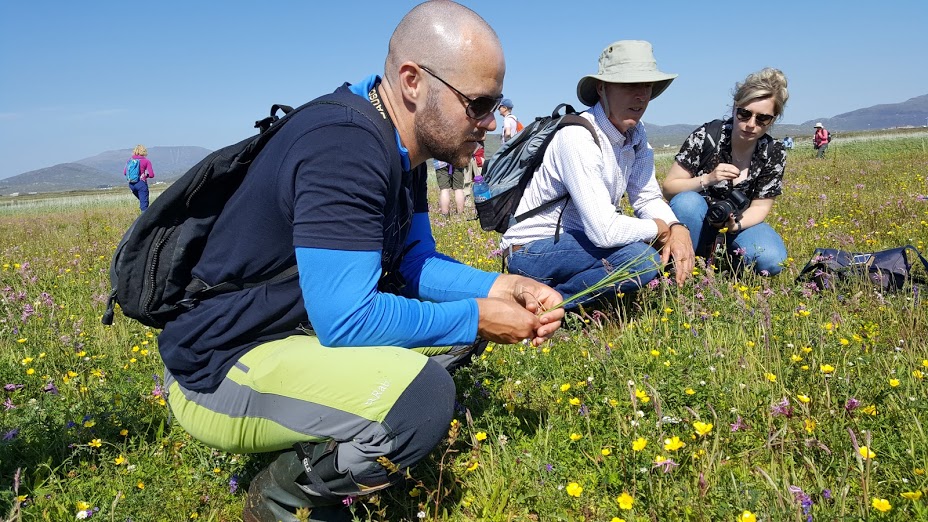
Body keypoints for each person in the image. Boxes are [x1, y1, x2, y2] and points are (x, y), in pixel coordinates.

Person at [155, 3, 565, 521]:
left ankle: (326, 444)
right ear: (413, 81)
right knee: (423, 398)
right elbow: (347, 319)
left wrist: (498, 288)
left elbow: (415, 264)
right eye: (478, 104)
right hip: (217, 369)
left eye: (495, 104)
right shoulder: (345, 148)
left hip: (285, 336)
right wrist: (479, 315)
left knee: (458, 329)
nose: (489, 122)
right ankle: (282, 498)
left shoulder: (403, 146)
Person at [500, 40, 695, 309]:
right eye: (629, 86)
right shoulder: (577, 137)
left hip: (576, 245)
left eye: (647, 86)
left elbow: (647, 197)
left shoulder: (636, 137)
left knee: (646, 253)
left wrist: (675, 227)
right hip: (532, 251)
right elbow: (604, 232)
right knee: (642, 260)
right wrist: (658, 230)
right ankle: (545, 307)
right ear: (602, 89)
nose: (641, 96)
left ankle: (544, 297)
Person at [662, 67, 789, 276]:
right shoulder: (707, 136)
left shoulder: (773, 152)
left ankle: (727, 265)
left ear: (773, 119)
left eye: (762, 119)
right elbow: (669, 188)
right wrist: (708, 178)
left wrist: (735, 225)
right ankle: (681, 265)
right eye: (744, 114)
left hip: (739, 223)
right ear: (734, 107)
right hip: (696, 219)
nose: (750, 124)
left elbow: (760, 207)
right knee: (687, 201)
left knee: (772, 259)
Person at [124, 144, 155, 211]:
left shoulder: (129, 160)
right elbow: (152, 175)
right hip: (141, 184)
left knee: (142, 202)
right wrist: (146, 175)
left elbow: (125, 173)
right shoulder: (146, 161)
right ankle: (145, 221)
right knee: (144, 206)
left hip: (131, 184)